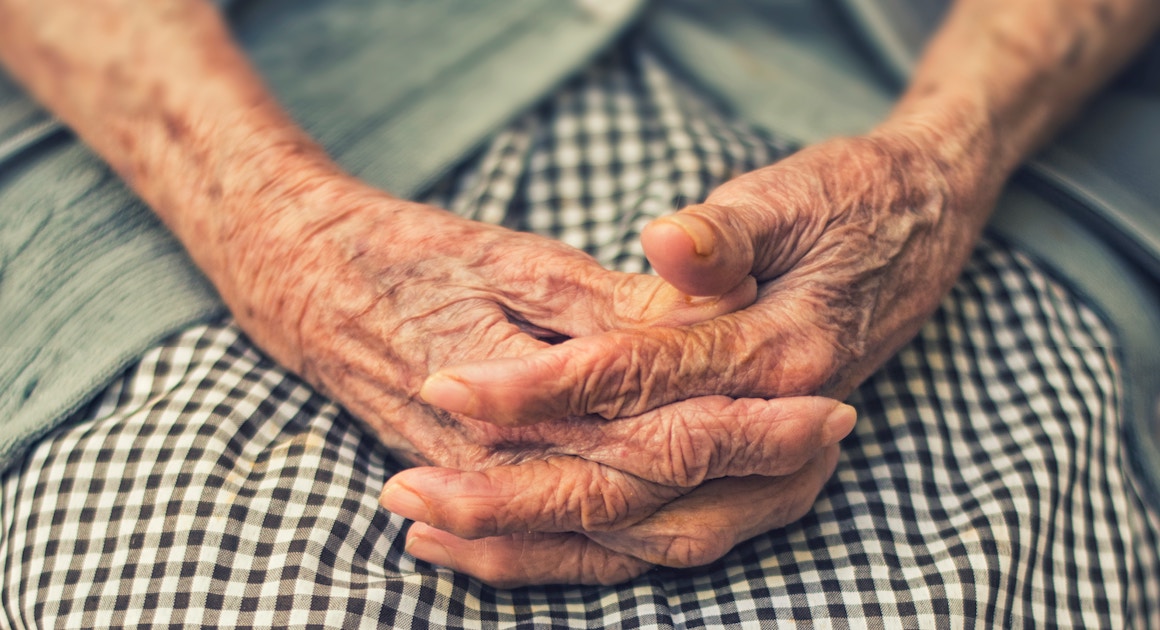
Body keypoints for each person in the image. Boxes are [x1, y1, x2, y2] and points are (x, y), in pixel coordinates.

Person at [0, 0, 1157, 626]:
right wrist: (276, 227)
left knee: (972, 576)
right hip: (233, 138)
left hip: (910, 111)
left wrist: (945, 162)